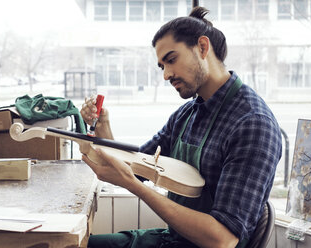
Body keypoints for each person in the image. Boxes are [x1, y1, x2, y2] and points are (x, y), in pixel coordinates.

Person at [80, 6, 282, 248]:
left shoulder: (253, 124)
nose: (166, 75)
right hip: (174, 240)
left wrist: (132, 186)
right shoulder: (187, 114)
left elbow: (222, 239)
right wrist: (103, 128)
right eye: (162, 66)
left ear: (203, 48)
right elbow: (135, 168)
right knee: (76, 244)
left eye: (171, 60)